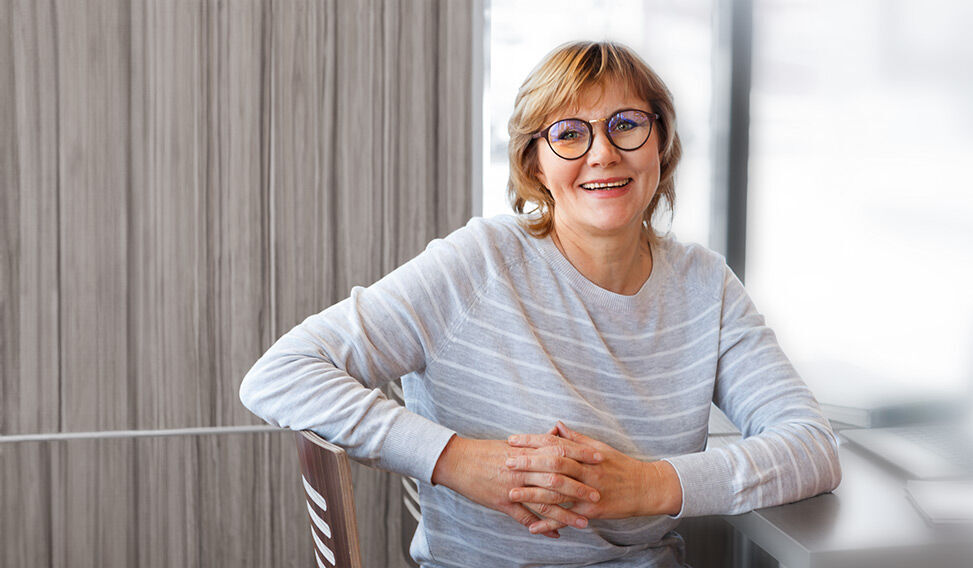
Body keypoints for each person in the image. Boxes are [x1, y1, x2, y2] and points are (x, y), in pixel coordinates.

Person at [239, 40, 841, 567]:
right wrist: (457, 461)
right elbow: (280, 375)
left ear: (662, 143)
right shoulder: (479, 263)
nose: (603, 153)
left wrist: (646, 484)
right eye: (570, 134)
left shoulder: (706, 286)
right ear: (536, 163)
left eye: (626, 124)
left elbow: (811, 446)